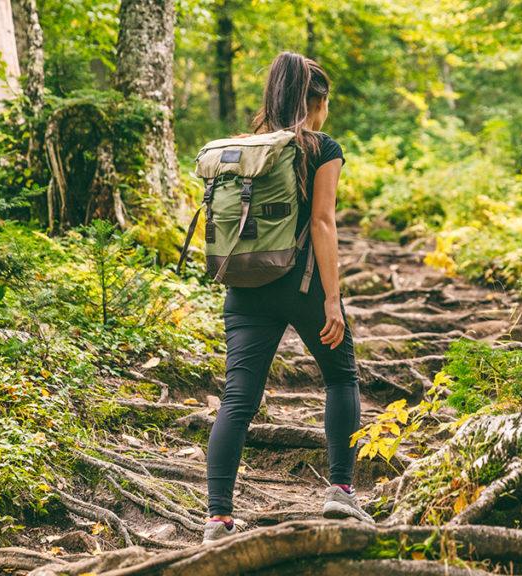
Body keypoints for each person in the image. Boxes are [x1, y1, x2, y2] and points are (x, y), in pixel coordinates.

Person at [202, 52, 373, 544]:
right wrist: (332, 299)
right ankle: (340, 490)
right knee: (341, 376)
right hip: (302, 286)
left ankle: (217, 518)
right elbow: (322, 222)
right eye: (326, 103)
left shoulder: (245, 148)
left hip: (246, 286)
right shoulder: (322, 148)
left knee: (238, 398)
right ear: (316, 101)